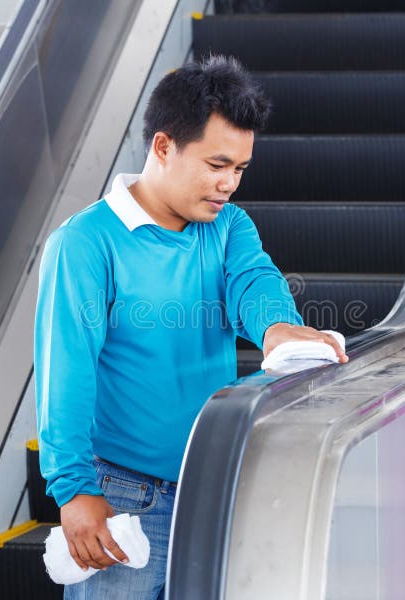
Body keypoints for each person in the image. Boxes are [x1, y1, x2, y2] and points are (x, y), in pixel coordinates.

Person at [34, 54, 348, 600]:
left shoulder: (228, 226)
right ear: (163, 146)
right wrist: (74, 489)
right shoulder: (84, 244)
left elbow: (254, 280)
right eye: (216, 164)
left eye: (240, 169)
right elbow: (66, 373)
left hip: (214, 485)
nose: (228, 184)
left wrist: (277, 328)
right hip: (123, 496)